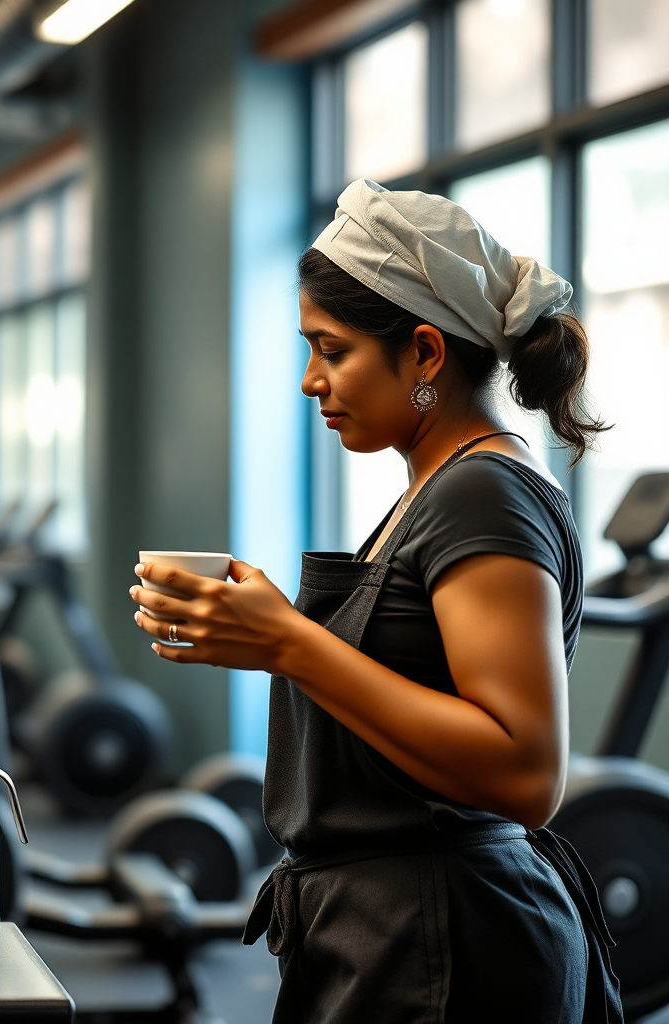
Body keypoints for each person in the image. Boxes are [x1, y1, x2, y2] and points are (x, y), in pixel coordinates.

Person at [130, 179, 622, 1023]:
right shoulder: (434, 490)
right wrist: (263, 629)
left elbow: (525, 771)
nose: (309, 381)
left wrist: (287, 640)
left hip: (449, 949)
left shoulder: (482, 495)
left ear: (425, 354)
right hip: (391, 934)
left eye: (332, 349)